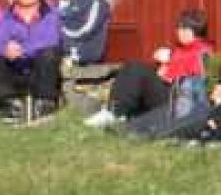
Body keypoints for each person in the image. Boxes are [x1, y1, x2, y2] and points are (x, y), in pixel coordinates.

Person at [85, 9, 213, 129]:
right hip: (168, 93)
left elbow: (196, 83)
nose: (179, 32)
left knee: (136, 69)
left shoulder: (203, 52)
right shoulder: (181, 49)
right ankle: (117, 111)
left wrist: (169, 66)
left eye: (184, 28)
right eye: (179, 28)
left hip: (179, 99)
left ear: (194, 31)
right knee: (132, 68)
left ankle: (114, 113)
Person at [51, 0, 111, 64]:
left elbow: (85, 30)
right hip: (64, 54)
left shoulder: (96, 0)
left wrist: (59, 27)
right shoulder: (65, 0)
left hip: (84, 56)